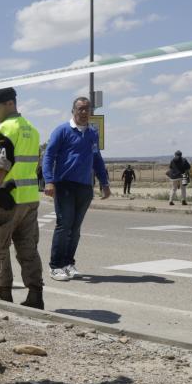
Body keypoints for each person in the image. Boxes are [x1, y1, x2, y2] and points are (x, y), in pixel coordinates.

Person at [0, 87, 45, 309]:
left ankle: (3, 293)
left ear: (10, 104)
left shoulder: (6, 129)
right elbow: (34, 165)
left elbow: (0, 167)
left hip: (8, 198)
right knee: (28, 248)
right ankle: (35, 295)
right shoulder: (31, 129)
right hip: (29, 199)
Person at [42, 97, 111, 281]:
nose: (83, 112)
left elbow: (97, 159)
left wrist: (104, 183)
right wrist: (49, 180)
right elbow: (48, 156)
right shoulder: (62, 130)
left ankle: (68, 263)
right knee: (64, 225)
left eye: (87, 109)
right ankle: (55, 266)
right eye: (80, 109)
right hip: (64, 184)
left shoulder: (92, 133)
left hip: (84, 186)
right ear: (73, 110)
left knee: (75, 228)